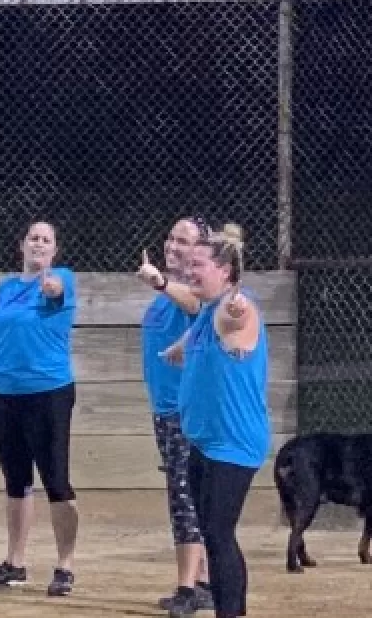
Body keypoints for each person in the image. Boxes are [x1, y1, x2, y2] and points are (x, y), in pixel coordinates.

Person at [163, 222, 269, 618]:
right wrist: (178, 349)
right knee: (211, 533)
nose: (190, 271)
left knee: (220, 535)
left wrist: (236, 317)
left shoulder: (233, 306)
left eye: (199, 265)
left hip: (234, 442)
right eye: (189, 265)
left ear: (224, 271)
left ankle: (231, 612)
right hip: (205, 442)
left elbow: (233, 318)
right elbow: (196, 338)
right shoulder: (207, 312)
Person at [0, 221, 81, 596]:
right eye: (33, 238)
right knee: (16, 480)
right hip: (4, 393)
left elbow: (58, 290)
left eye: (46, 240)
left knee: (56, 480)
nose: (38, 244)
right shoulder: (4, 289)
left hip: (47, 392)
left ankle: (65, 566)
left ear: (54, 250)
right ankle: (15, 563)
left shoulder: (61, 278)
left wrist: (52, 288)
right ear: (22, 245)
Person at [135, 219, 215, 615]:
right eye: (170, 238)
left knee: (184, 497)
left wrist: (161, 283)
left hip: (187, 412)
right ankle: (204, 582)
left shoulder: (194, 290)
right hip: (164, 411)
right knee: (187, 494)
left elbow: (197, 306)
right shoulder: (165, 297)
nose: (172, 245)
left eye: (183, 241)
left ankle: (187, 588)